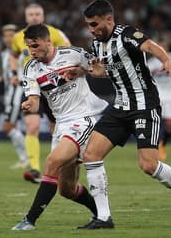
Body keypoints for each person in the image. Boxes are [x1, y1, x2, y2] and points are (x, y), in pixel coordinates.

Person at [81, 0, 171, 229]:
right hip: (120, 108)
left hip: (144, 107)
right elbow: (113, 70)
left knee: (148, 165)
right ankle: (104, 218)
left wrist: (166, 60)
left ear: (109, 19)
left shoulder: (127, 34)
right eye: (88, 25)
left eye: (95, 24)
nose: (91, 30)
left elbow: (152, 47)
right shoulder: (97, 45)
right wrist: (99, 72)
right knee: (91, 155)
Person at [11, 24, 108, 231]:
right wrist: (30, 104)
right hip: (62, 123)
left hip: (85, 117)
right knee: (67, 189)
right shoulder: (30, 68)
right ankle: (101, 215)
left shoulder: (73, 54)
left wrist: (84, 69)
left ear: (48, 41)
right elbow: (35, 100)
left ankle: (29, 220)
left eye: (36, 46)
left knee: (52, 162)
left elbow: (101, 70)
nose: (32, 51)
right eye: (29, 47)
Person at [10, 3, 71, 183]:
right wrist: (14, 73)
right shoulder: (18, 37)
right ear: (26, 17)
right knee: (32, 126)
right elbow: (14, 56)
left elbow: (69, 51)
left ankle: (59, 166)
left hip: (52, 87)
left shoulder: (55, 34)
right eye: (31, 14)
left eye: (37, 14)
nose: (34, 17)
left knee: (56, 129)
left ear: (42, 16)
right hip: (30, 85)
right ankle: (35, 169)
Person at [0, 24, 29, 169]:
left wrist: (18, 79)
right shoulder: (5, 53)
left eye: (11, 35)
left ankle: (27, 157)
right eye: (6, 35)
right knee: (13, 126)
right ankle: (25, 158)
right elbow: (7, 75)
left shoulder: (22, 53)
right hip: (8, 94)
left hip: (17, 93)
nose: (8, 38)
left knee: (7, 126)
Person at [147, 38, 171, 161]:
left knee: (170, 124)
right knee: (155, 122)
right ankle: (154, 147)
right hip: (157, 95)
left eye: (163, 46)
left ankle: (163, 144)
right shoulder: (152, 63)